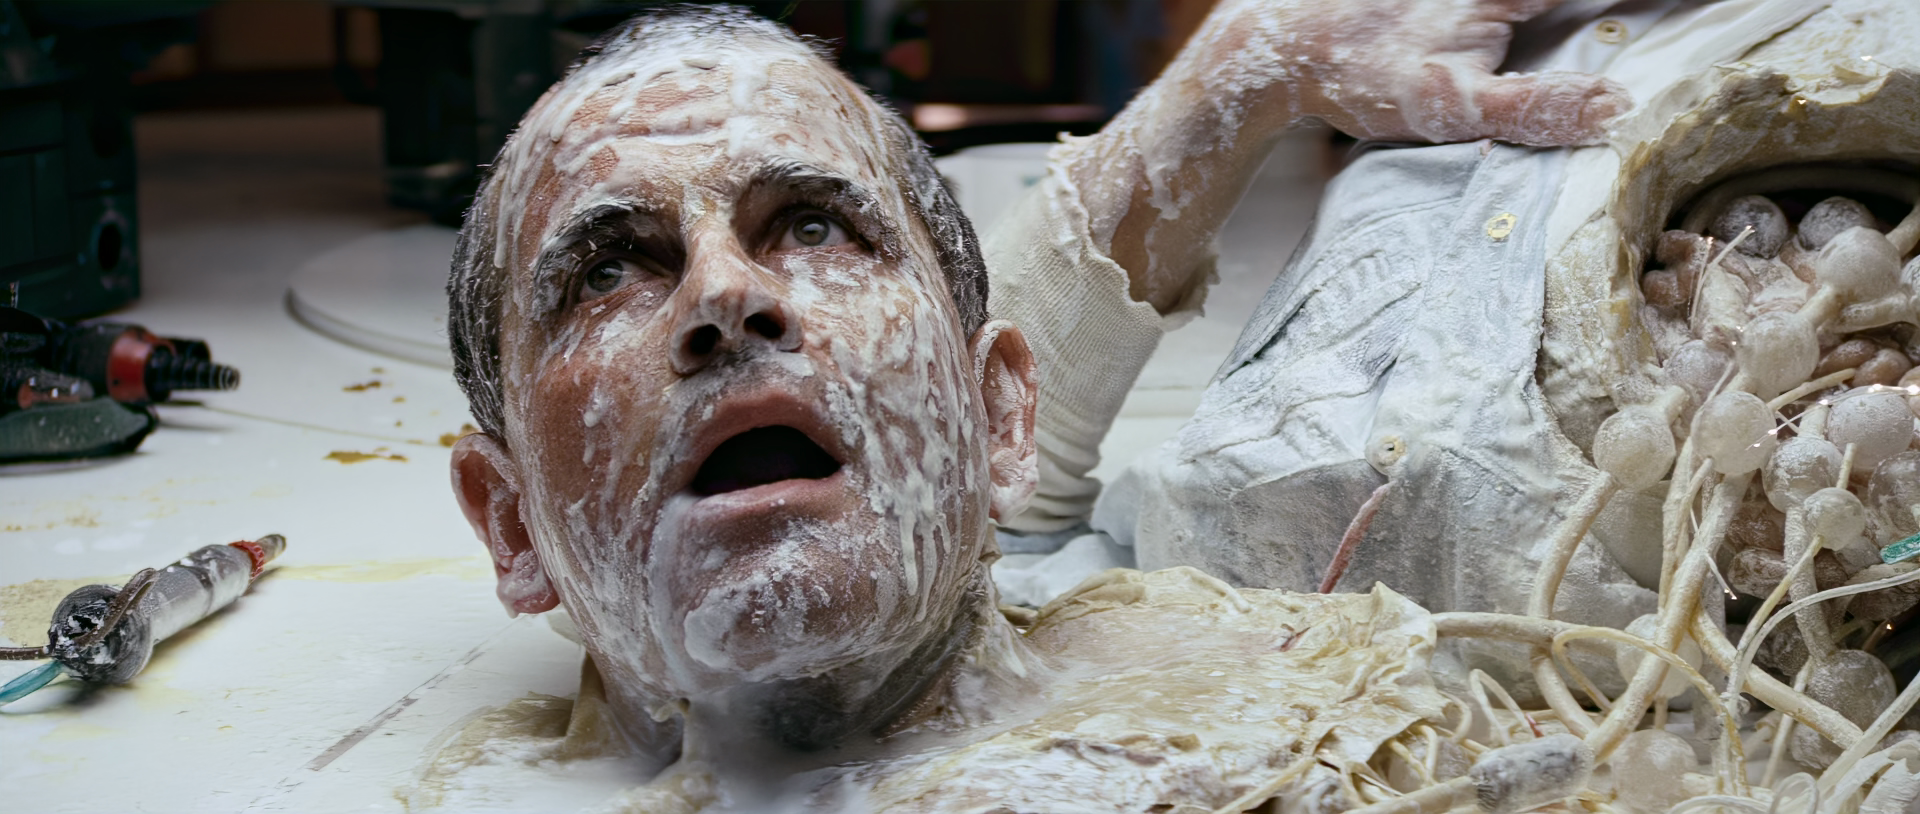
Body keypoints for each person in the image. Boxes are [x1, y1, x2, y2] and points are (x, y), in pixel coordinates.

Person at [439, 2, 1632, 808]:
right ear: (512, 524)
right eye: (608, 269)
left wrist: (1245, 68)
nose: (724, 295)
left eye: (811, 224)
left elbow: (921, 437)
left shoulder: (1340, 681)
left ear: (998, 415)